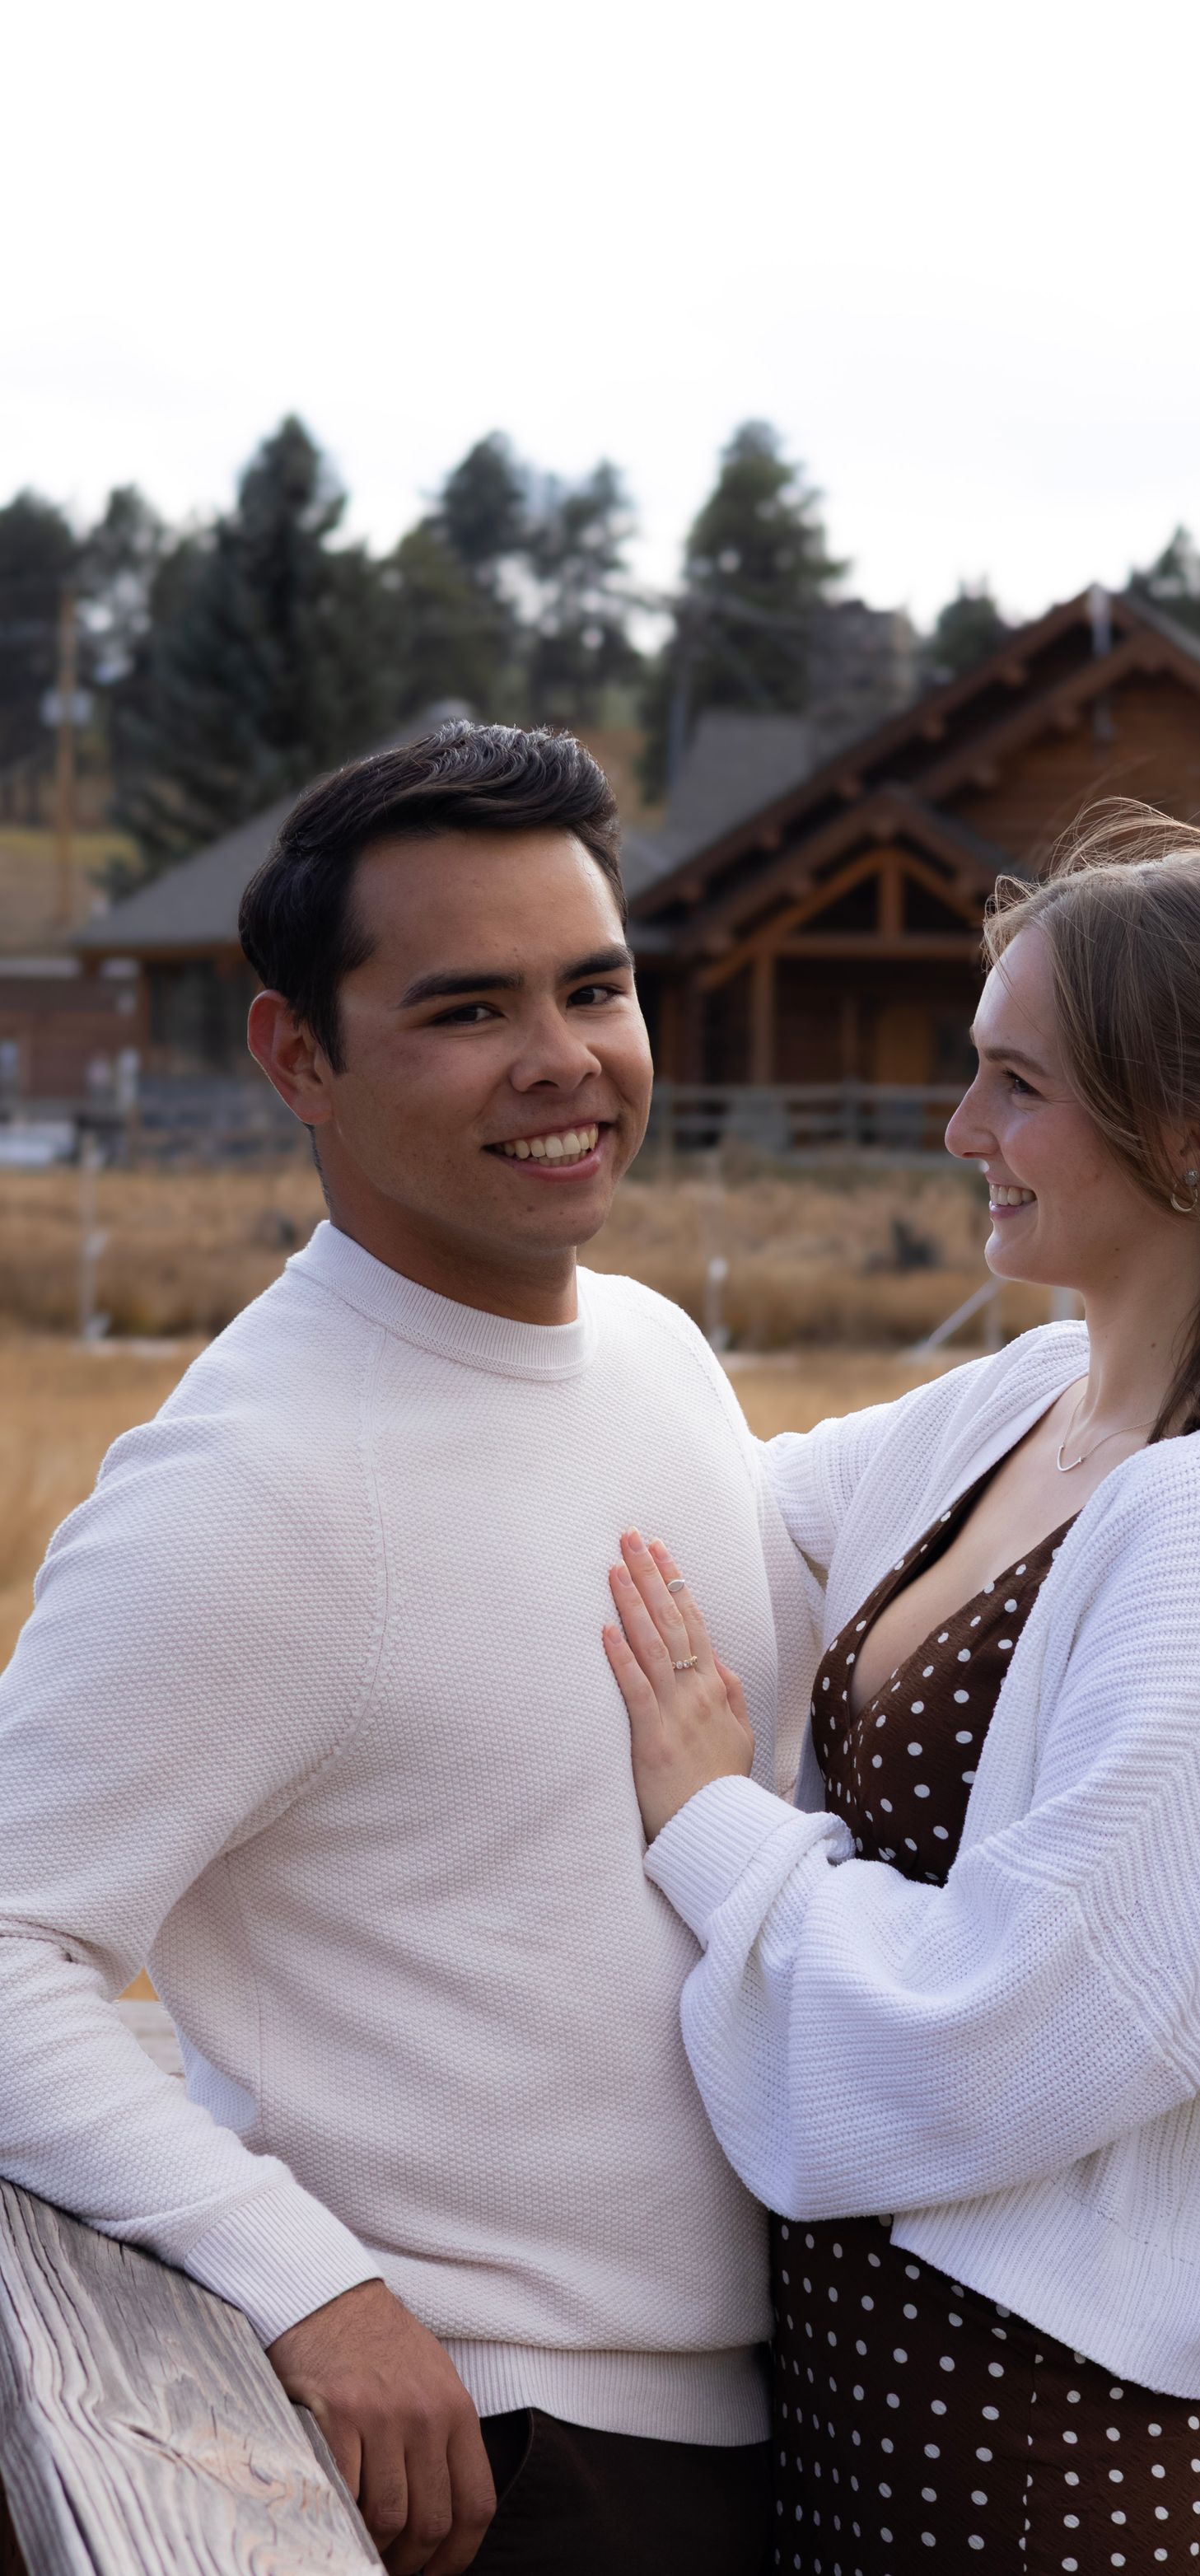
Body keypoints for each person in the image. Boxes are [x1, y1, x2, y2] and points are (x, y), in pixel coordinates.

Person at [602, 806, 1200, 2574]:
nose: (963, 1135)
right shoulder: (1016, 1403)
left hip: (1025, 2435)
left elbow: (1021, 2016)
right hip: (851, 2370)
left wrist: (716, 1826)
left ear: (1196, 1134)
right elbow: (716, 1531)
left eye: (1016, 1085)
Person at [0, 722, 819, 2576]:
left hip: (766, 2411)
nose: (567, 1063)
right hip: (501, 2465)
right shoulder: (260, 1481)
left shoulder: (660, 1351)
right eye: (468, 1010)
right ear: (301, 1055)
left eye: (596, 985)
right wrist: (310, 2286)